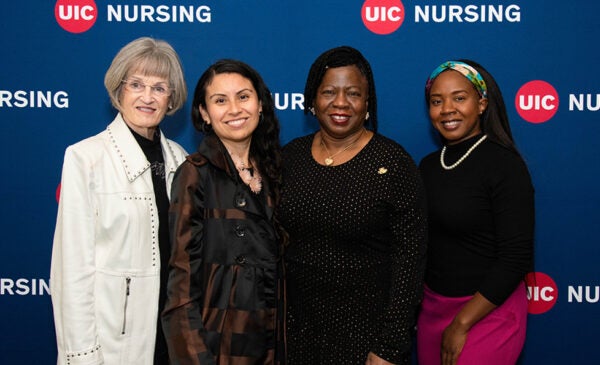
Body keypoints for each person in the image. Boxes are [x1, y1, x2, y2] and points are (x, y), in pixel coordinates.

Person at [279, 46, 427, 364]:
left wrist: (389, 347)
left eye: (353, 93)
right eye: (329, 91)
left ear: (367, 103)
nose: (341, 103)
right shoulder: (289, 157)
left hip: (367, 340)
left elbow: (409, 265)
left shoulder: (394, 163)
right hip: (297, 336)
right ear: (312, 99)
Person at [50, 37, 188, 364]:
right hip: (113, 345)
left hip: (172, 339)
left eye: (159, 87)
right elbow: (71, 271)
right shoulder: (86, 158)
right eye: (136, 84)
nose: (148, 97)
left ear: (171, 99)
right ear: (118, 91)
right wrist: (82, 355)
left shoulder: (182, 160)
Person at [161, 59, 285, 364]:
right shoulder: (195, 175)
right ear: (205, 113)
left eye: (243, 96)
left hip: (275, 342)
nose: (234, 109)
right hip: (221, 347)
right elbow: (181, 288)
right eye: (220, 101)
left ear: (260, 104)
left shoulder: (276, 171)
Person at [417, 60, 535, 365]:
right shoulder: (427, 166)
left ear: (481, 104)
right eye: (436, 101)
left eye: (459, 98)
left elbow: (516, 257)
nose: (447, 109)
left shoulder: (505, 166)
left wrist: (461, 323)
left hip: (488, 310)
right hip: (433, 309)